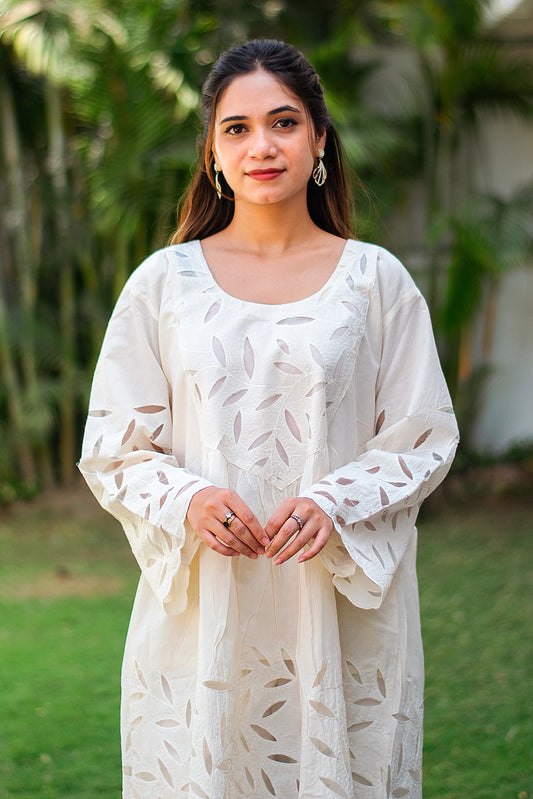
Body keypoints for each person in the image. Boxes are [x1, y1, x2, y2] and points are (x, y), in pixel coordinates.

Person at [79, 39, 459, 799]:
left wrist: (333, 500)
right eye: (237, 128)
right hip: (203, 610)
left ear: (319, 139)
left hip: (336, 606)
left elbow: (421, 435)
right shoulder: (164, 283)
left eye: (283, 123)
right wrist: (187, 498)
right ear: (212, 153)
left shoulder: (375, 281)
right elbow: (115, 445)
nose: (261, 145)